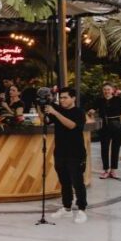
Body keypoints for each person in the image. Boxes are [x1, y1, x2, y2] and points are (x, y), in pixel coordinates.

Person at [45, 87, 88, 224]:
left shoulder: (79, 112)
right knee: (64, 182)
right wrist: (44, 110)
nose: (62, 100)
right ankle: (67, 207)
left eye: (65, 97)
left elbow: (72, 126)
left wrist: (55, 113)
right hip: (60, 152)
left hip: (75, 153)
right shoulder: (59, 111)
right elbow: (46, 121)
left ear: (73, 98)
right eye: (61, 98)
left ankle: (82, 210)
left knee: (78, 183)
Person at [88, 82, 121, 179]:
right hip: (104, 127)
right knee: (104, 149)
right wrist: (91, 111)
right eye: (105, 89)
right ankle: (106, 170)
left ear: (112, 90)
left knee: (116, 149)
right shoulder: (99, 100)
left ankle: (113, 170)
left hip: (117, 126)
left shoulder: (118, 99)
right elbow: (92, 109)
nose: (106, 91)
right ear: (103, 91)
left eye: (108, 89)